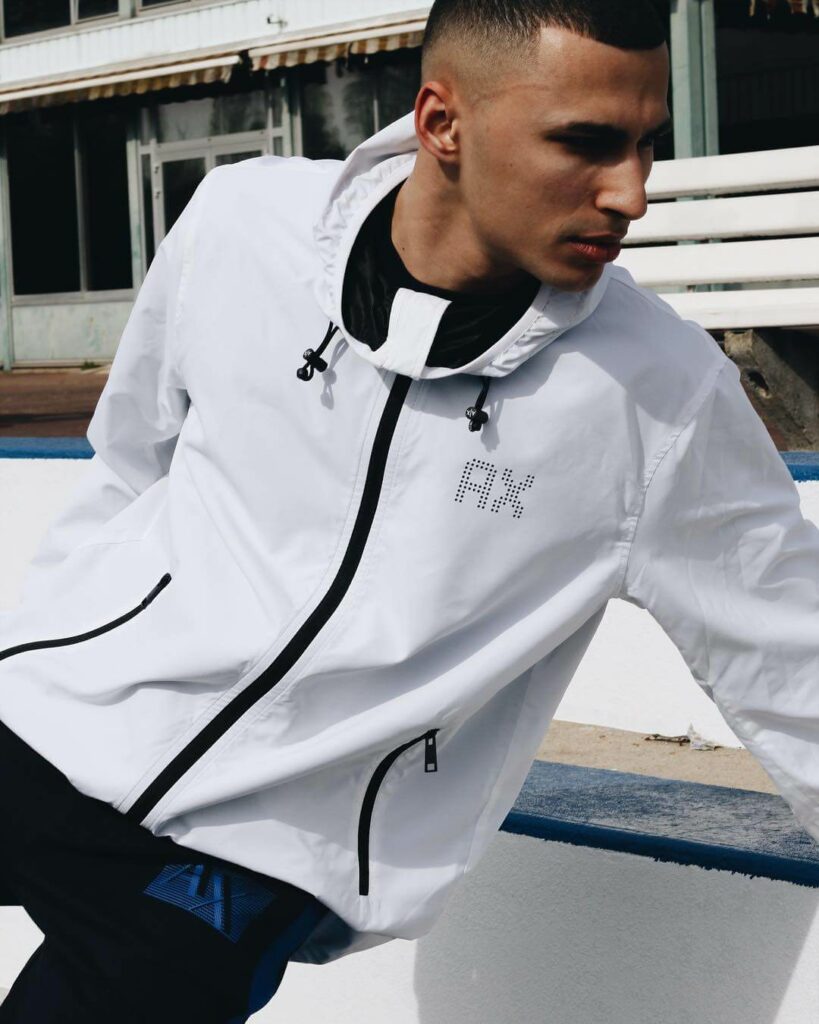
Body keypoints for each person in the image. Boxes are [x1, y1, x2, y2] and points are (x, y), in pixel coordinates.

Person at [1, 0, 818, 1019]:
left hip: (261, 852)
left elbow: (795, 658)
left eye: (648, 144)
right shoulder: (241, 222)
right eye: (585, 143)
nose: (631, 193)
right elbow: (131, 459)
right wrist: (40, 652)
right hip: (49, 723)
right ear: (442, 124)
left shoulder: (659, 395)